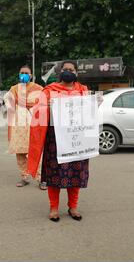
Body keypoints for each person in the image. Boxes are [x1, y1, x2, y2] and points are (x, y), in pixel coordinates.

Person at [27, 61, 90, 222]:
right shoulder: (48, 91)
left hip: (77, 139)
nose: (68, 72)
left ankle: (73, 206)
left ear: (76, 73)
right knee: (54, 174)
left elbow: (90, 112)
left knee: (76, 173)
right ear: (60, 72)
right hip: (55, 138)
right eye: (65, 69)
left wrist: (95, 105)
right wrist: (45, 107)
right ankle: (54, 207)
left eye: (71, 70)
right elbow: (37, 111)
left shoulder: (83, 90)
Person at [5, 65, 45, 189]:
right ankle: (24, 177)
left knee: (36, 151)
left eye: (26, 73)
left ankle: (40, 178)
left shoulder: (38, 88)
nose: (24, 74)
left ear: (31, 75)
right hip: (19, 125)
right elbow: (9, 106)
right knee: (20, 152)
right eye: (22, 72)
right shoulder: (14, 89)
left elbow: (44, 103)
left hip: (34, 123)